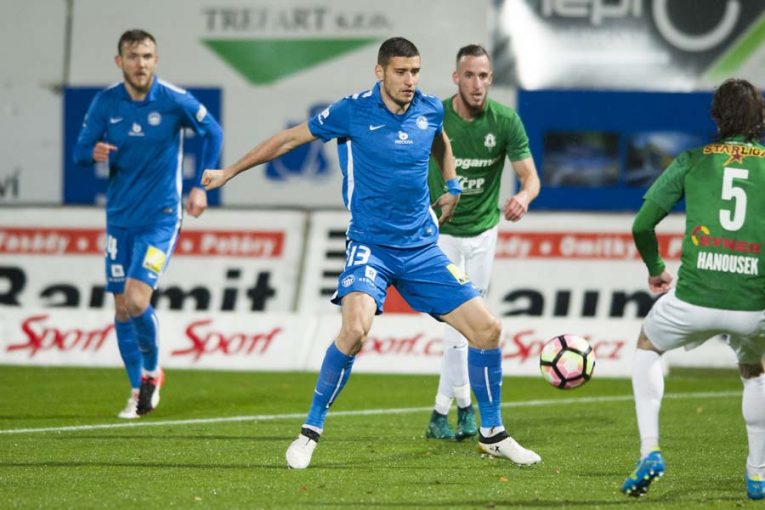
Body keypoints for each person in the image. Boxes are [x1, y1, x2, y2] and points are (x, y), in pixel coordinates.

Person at [201, 37, 541, 469]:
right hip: (371, 246)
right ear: (379, 72)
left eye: (416, 71)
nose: (410, 80)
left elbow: (440, 143)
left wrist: (451, 183)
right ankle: (310, 431)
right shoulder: (352, 111)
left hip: (420, 248)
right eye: (401, 72)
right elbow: (290, 140)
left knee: (488, 330)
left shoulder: (430, 108)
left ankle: (492, 433)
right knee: (356, 331)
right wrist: (230, 171)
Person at [622, 78, 765, 500]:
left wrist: (656, 268)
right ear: (759, 118)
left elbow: (641, 224)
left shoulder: (692, 160)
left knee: (647, 345)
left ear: (717, 118)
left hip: (693, 298)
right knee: (756, 370)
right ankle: (758, 473)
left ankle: (650, 450)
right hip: (751, 304)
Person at [73, 29, 223, 419]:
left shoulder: (173, 100)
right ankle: (135, 388)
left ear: (156, 60)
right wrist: (92, 153)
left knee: (138, 299)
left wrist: (200, 186)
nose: (141, 63)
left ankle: (152, 373)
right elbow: (78, 153)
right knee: (122, 309)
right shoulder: (106, 102)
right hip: (120, 219)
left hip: (161, 217)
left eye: (147, 56)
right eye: (133, 56)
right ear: (119, 61)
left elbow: (213, 131)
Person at [425, 44, 540, 441]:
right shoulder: (433, 116)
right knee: (458, 327)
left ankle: (441, 412)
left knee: (468, 327)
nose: (477, 84)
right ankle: (464, 406)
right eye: (469, 75)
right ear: (456, 78)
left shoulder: (505, 121)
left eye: (484, 76)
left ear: (492, 79)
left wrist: (522, 198)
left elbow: (531, 178)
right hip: (442, 236)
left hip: (484, 235)